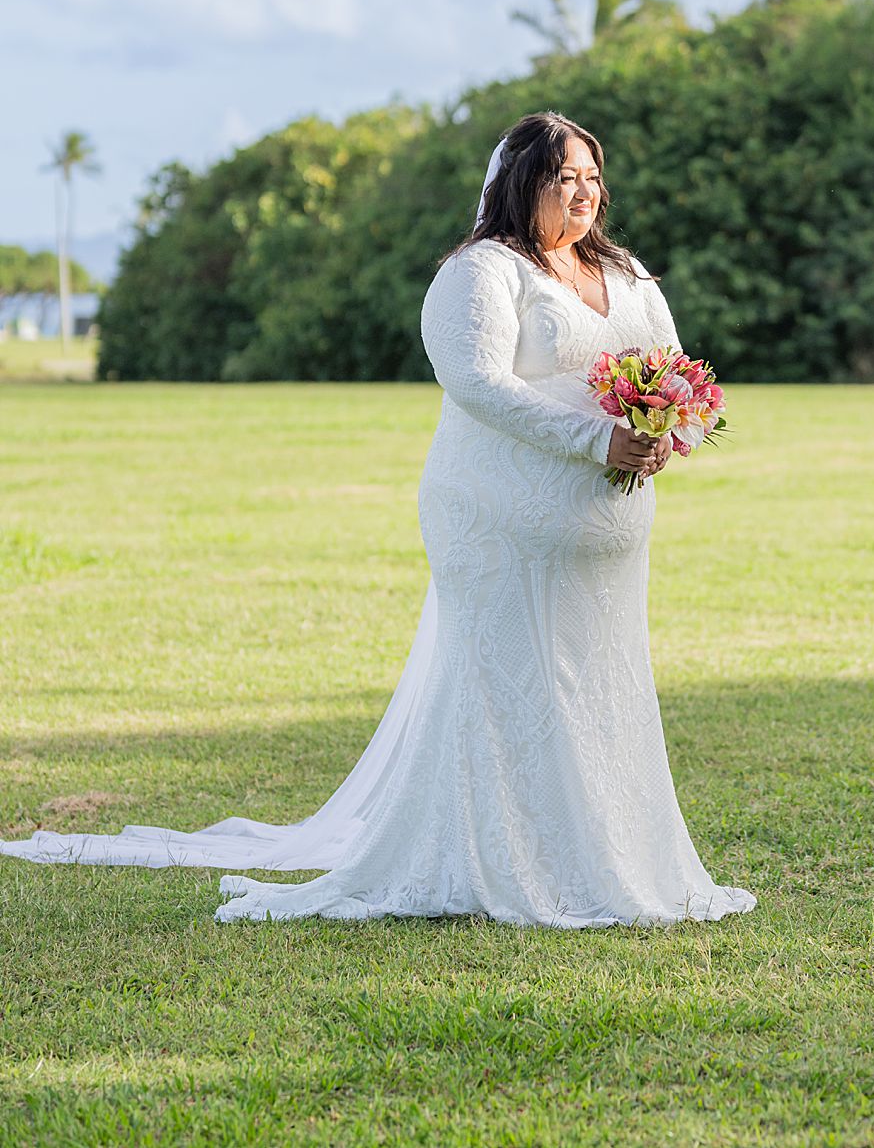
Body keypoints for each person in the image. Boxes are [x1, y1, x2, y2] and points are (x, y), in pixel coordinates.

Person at [2, 110, 756, 929]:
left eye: (591, 178)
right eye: (562, 177)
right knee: (514, 690)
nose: (583, 194)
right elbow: (477, 383)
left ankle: (609, 852)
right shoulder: (483, 272)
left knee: (599, 692)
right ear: (519, 184)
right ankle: (504, 862)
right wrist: (593, 436)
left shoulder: (628, 271)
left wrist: (663, 428)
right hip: (498, 524)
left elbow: (674, 365)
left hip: (604, 539)